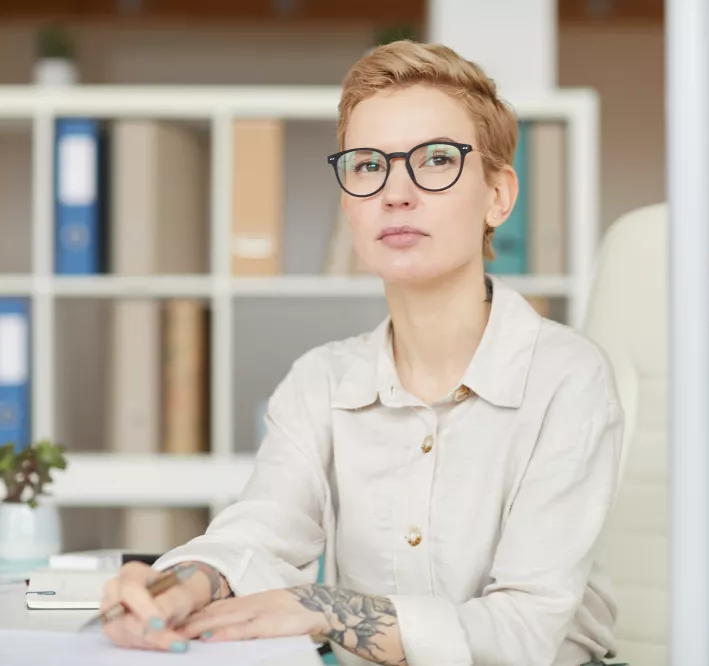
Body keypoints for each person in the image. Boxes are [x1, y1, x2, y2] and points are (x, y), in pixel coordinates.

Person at [100, 40, 625, 666]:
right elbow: (260, 528)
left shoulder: (568, 379)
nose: (395, 192)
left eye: (435, 160)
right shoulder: (320, 380)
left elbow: (521, 635)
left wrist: (320, 607)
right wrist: (177, 586)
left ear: (497, 197)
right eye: (368, 165)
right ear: (348, 199)